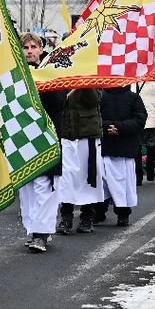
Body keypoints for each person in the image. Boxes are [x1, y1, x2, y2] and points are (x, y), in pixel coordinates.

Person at [20, 33, 65, 252]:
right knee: (27, 187)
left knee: (44, 186)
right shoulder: (16, 74)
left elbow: (59, 103)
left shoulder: (51, 71)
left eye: (33, 47)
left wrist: (41, 85)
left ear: (40, 49)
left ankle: (42, 233)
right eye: (25, 47)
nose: (29, 51)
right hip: (23, 137)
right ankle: (32, 229)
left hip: (47, 136)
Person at [56, 87, 105, 234]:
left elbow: (94, 100)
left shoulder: (92, 78)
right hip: (66, 133)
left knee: (88, 176)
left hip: (87, 135)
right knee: (66, 178)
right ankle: (66, 217)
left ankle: (87, 217)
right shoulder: (61, 77)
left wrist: (84, 84)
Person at [97, 85, 147, 227]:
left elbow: (140, 119)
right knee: (103, 183)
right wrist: (109, 127)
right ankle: (99, 211)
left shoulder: (133, 98)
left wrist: (119, 127)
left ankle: (123, 213)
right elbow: (94, 117)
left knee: (123, 184)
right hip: (105, 147)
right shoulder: (101, 96)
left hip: (125, 149)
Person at [132, 79, 155, 184]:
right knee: (136, 148)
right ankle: (138, 175)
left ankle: (150, 167)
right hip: (134, 119)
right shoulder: (129, 73)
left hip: (151, 118)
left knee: (151, 147)